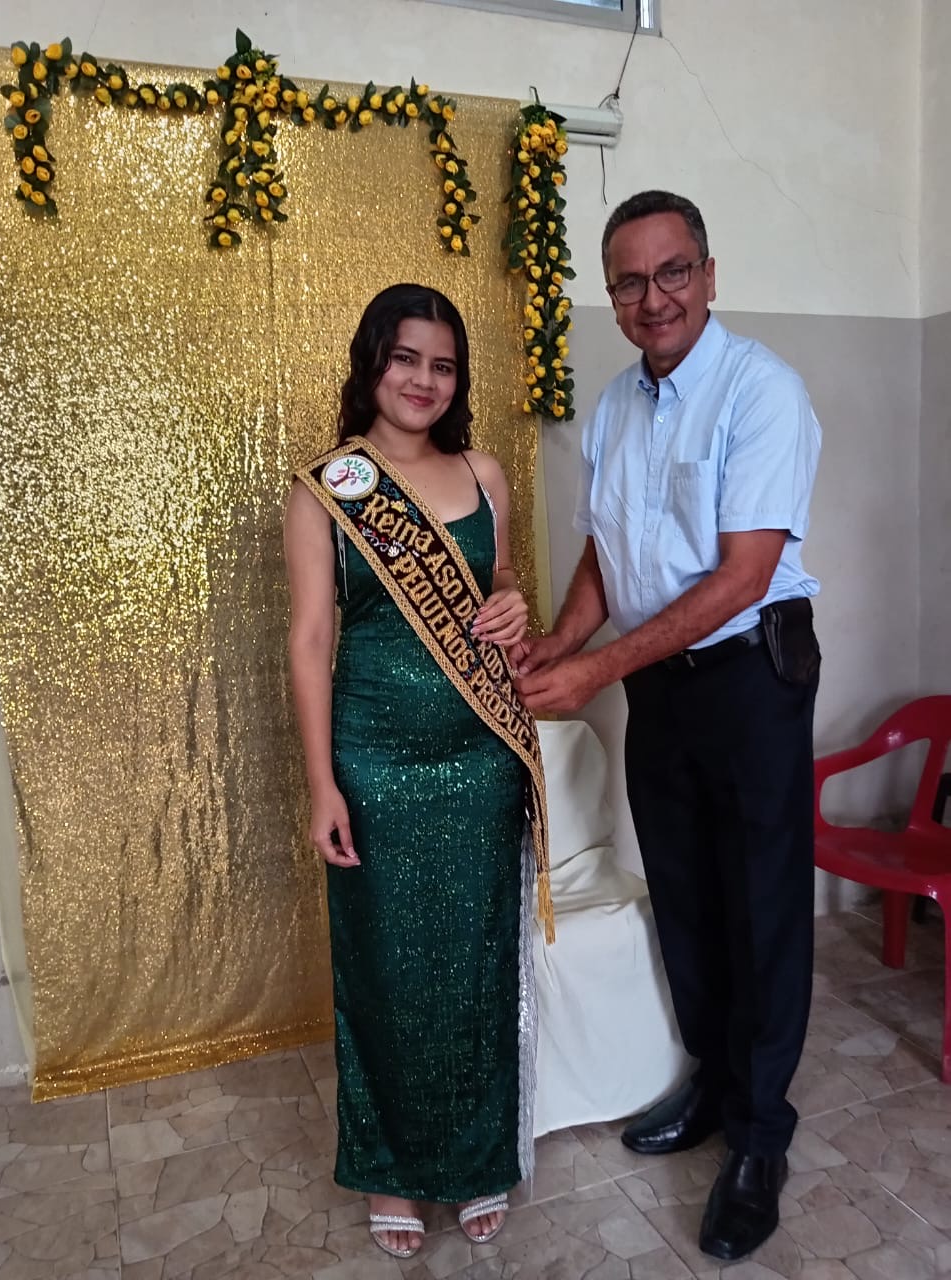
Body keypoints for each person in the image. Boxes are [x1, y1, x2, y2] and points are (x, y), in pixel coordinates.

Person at [514, 191, 821, 1263]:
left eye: (673, 271)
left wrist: (596, 667)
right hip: (663, 685)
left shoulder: (761, 391)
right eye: (631, 281)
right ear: (613, 295)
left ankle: (761, 1134)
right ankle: (715, 1081)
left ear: (709, 273)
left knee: (761, 902)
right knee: (686, 892)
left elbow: (741, 576)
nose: (655, 298)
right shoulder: (613, 407)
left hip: (750, 676)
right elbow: (607, 552)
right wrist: (559, 641)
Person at [284, 283, 552, 1261]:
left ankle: (478, 1156)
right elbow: (311, 640)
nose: (424, 381)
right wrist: (323, 784)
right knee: (385, 970)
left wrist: (512, 598)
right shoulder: (329, 488)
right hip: (375, 763)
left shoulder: (484, 472)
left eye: (443, 365)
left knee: (478, 964)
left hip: (480, 759)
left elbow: (501, 581)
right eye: (406, 358)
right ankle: (391, 1168)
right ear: (372, 362)